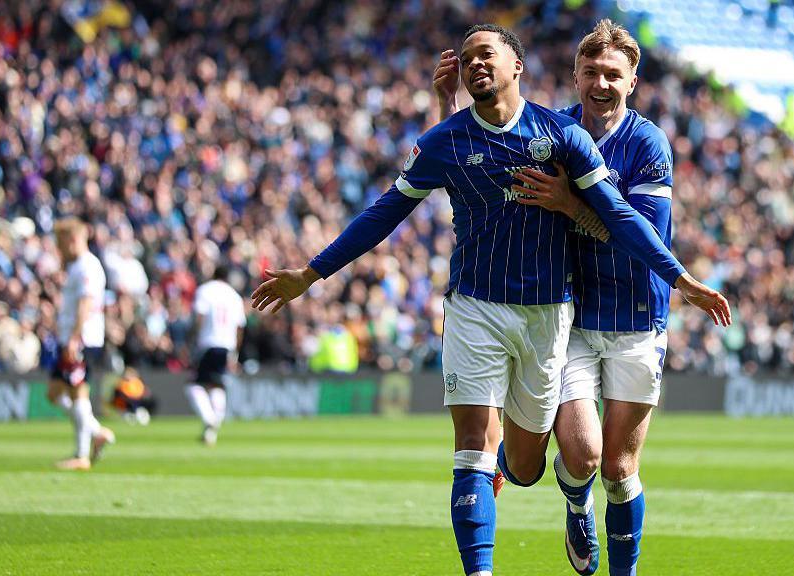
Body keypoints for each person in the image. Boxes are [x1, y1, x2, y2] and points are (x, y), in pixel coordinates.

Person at [254, 24, 725, 576]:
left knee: (545, 468)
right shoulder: (454, 138)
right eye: (470, 56)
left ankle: (570, 502)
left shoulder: (569, 139)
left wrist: (680, 279)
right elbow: (387, 210)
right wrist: (312, 273)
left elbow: (626, 219)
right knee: (485, 448)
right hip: (479, 307)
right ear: (573, 76)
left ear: (518, 66)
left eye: (489, 55)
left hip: (579, 315)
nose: (478, 63)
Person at [432, 19, 732, 575]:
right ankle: (575, 502)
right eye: (590, 71)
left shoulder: (647, 145)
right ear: (574, 74)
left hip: (638, 317)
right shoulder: (554, 133)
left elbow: (634, 229)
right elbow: (466, 159)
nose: (601, 83)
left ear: (633, 81)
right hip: (569, 317)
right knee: (583, 454)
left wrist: (572, 207)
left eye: (613, 74)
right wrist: (447, 102)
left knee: (619, 468)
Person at [48, 218, 115, 471]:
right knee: (54, 393)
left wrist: (75, 338)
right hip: (75, 337)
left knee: (77, 392)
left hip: (82, 338)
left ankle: (81, 454)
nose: (59, 249)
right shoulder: (79, 266)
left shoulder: (86, 266)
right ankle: (95, 431)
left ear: (72, 239)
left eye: (61, 243)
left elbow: (86, 303)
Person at [185, 265, 246, 446]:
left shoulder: (205, 290)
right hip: (227, 345)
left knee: (193, 385)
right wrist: (234, 352)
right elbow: (239, 327)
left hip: (207, 343)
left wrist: (193, 340)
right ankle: (213, 427)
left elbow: (200, 317)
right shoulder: (234, 296)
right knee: (216, 384)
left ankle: (210, 418)